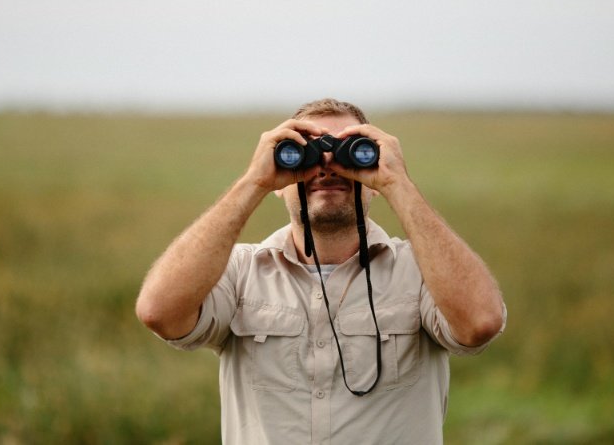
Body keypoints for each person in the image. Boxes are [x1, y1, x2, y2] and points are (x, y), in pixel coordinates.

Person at [136, 98, 506, 444]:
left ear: (373, 177)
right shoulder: (240, 272)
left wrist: (399, 184)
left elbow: (480, 324)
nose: (327, 167)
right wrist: (253, 183)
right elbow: (159, 312)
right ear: (280, 180)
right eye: (307, 151)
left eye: (351, 151)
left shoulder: (421, 271)